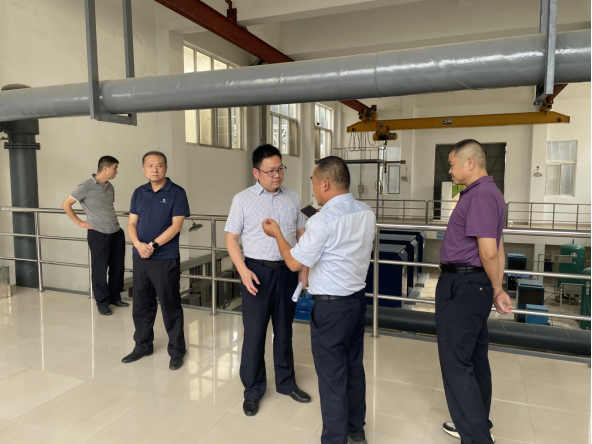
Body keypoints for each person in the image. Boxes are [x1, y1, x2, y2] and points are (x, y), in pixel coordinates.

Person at [262, 156, 376, 444]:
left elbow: (293, 262)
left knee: (332, 376)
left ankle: (334, 439)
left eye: (313, 182)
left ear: (325, 183)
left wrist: (277, 234)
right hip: (356, 302)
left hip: (331, 309)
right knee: (354, 367)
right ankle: (355, 430)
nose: (313, 188)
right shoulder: (366, 212)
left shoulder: (323, 220)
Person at [225, 144, 311, 417]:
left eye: (280, 169)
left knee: (284, 332)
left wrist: (304, 269)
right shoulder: (242, 199)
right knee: (254, 333)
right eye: (271, 171)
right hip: (256, 273)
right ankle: (253, 390)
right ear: (256, 172)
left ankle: (286, 383)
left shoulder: (292, 196)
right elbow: (231, 238)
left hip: (287, 272)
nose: (277, 175)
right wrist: (242, 270)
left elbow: (302, 234)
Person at [437, 139, 512, 444]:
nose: (450, 170)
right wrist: (497, 287)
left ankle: (477, 436)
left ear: (470, 162)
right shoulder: (490, 193)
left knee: (456, 361)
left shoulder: (480, 195)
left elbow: (489, 252)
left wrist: (496, 287)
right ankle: (476, 422)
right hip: (475, 284)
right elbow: (498, 246)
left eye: (452, 163)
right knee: (475, 357)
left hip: (464, 284)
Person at [121, 151, 190, 371]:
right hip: (140, 257)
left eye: (159, 165)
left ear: (165, 168)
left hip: (165, 258)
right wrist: (138, 244)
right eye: (150, 165)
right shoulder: (138, 192)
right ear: (143, 169)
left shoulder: (177, 192)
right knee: (141, 304)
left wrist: (152, 246)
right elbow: (131, 223)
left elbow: (176, 226)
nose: (154, 169)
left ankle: (177, 351)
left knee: (170, 305)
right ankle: (142, 345)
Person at [62, 156, 128, 316]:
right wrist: (80, 222)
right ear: (105, 168)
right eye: (115, 168)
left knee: (118, 267)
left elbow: (107, 208)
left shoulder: (110, 186)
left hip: (116, 232)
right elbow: (65, 204)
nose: (116, 171)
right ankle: (102, 303)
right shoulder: (85, 187)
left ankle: (115, 297)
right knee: (100, 268)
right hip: (98, 233)